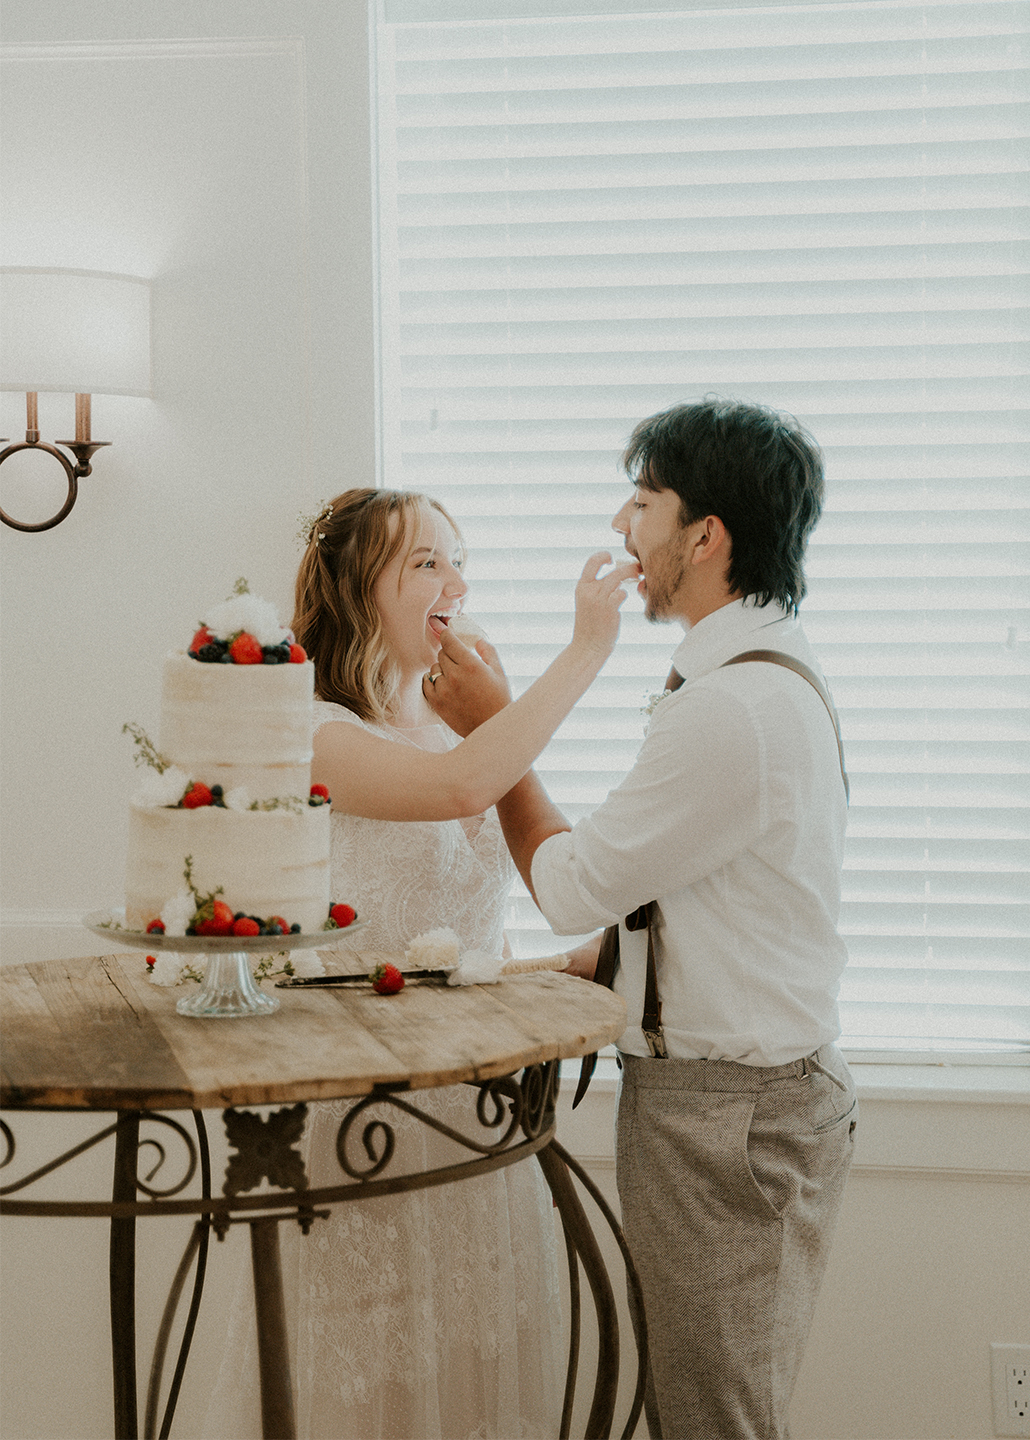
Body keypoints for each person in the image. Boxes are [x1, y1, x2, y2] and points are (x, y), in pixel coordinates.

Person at [427, 399, 857, 1440]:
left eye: (644, 502)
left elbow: (575, 880)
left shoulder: (730, 709)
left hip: (727, 1113)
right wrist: (593, 966)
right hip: (732, 1101)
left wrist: (494, 734)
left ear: (704, 537)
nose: (625, 527)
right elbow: (701, 891)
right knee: (703, 1405)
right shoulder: (748, 679)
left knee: (714, 1418)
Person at [207, 486, 636, 1440]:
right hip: (364, 1116)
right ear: (364, 587)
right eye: (428, 563)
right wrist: (585, 653)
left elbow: (480, 911)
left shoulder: (458, 727)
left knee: (473, 1379)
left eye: (459, 559)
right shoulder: (315, 730)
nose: (459, 583)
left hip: (476, 1115)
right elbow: (459, 791)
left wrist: (555, 966)